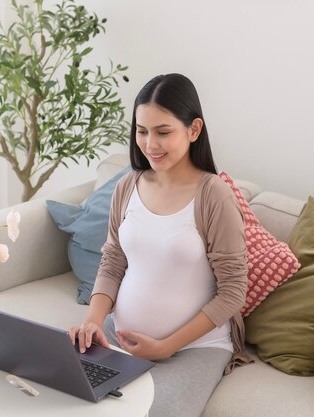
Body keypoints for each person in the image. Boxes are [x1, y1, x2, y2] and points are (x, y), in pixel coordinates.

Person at [69, 73, 251, 417]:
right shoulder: (127, 186)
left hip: (196, 347)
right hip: (118, 335)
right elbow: (112, 262)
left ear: (194, 130)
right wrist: (93, 320)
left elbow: (233, 292)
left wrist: (166, 347)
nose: (150, 144)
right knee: (62, 398)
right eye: (142, 131)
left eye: (163, 132)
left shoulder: (214, 195)